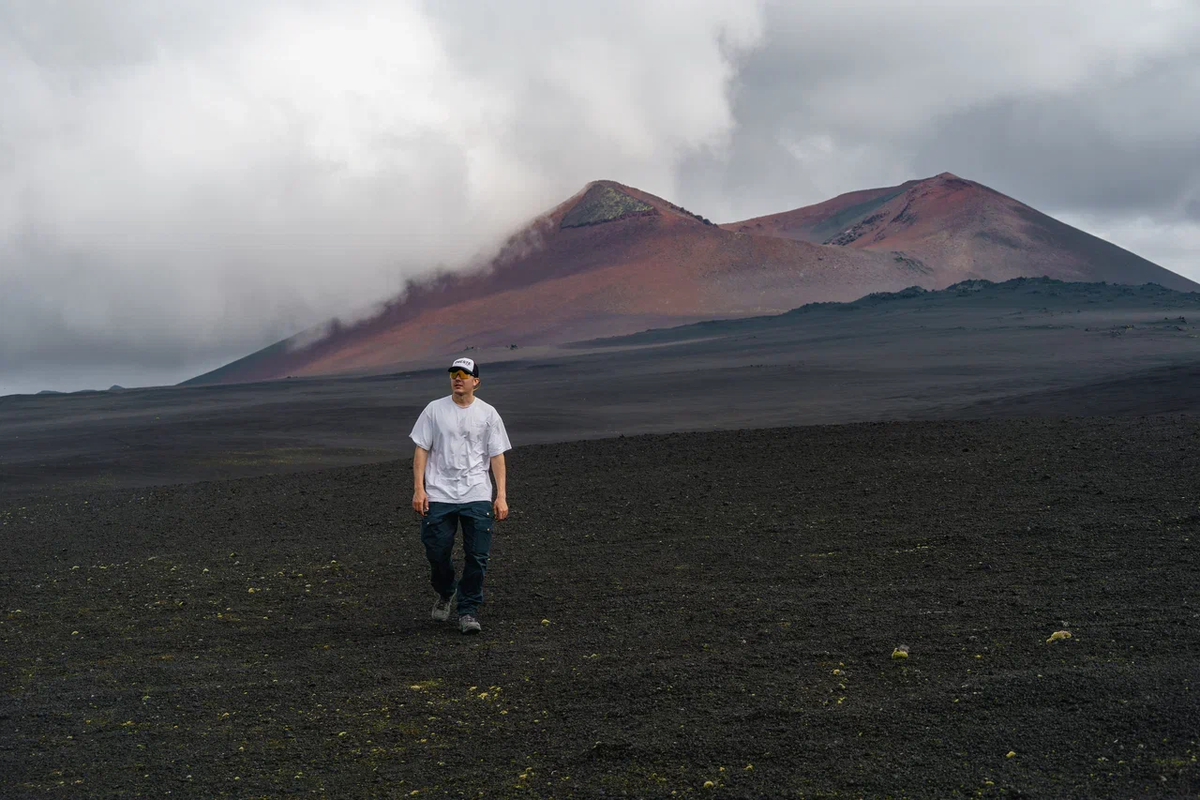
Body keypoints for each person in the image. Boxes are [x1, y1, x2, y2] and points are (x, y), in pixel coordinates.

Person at [410, 357, 511, 634]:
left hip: (476, 492)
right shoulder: (434, 410)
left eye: (464, 374)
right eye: (454, 373)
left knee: (477, 556)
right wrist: (419, 489)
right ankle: (446, 591)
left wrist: (501, 495)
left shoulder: (488, 414)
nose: (458, 378)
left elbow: (496, 455)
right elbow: (421, 449)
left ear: (475, 382)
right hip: (439, 493)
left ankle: (468, 611)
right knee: (437, 552)